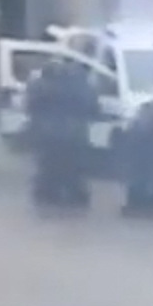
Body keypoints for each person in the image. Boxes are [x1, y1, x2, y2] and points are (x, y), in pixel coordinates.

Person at [26, 59, 100, 211]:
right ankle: (74, 197)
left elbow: (30, 107)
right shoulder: (84, 88)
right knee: (74, 169)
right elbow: (94, 110)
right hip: (75, 134)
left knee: (48, 166)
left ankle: (48, 195)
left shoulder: (39, 86)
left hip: (47, 133)